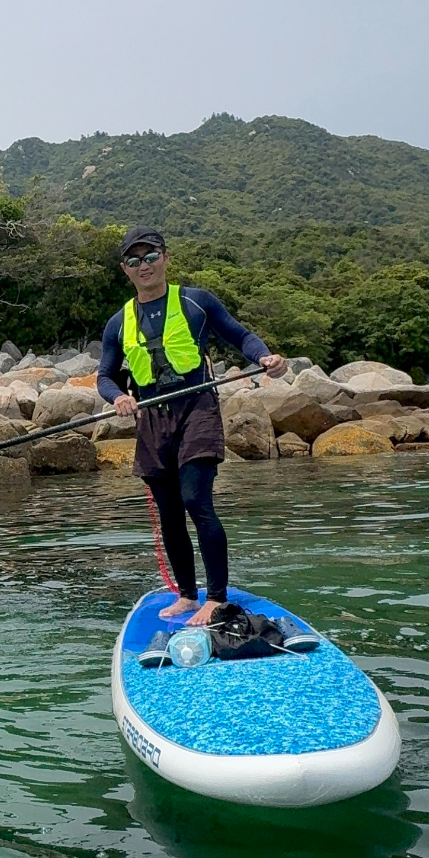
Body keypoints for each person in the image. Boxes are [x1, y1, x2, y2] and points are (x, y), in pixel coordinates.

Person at [96, 227, 287, 626]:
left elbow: (240, 335)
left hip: (197, 407)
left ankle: (215, 598)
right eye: (134, 260)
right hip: (152, 417)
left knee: (195, 499)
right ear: (124, 269)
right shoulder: (118, 322)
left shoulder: (196, 302)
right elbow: (105, 376)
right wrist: (117, 397)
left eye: (150, 257)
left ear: (165, 257)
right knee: (168, 512)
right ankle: (186, 595)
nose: (143, 266)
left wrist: (265, 357)